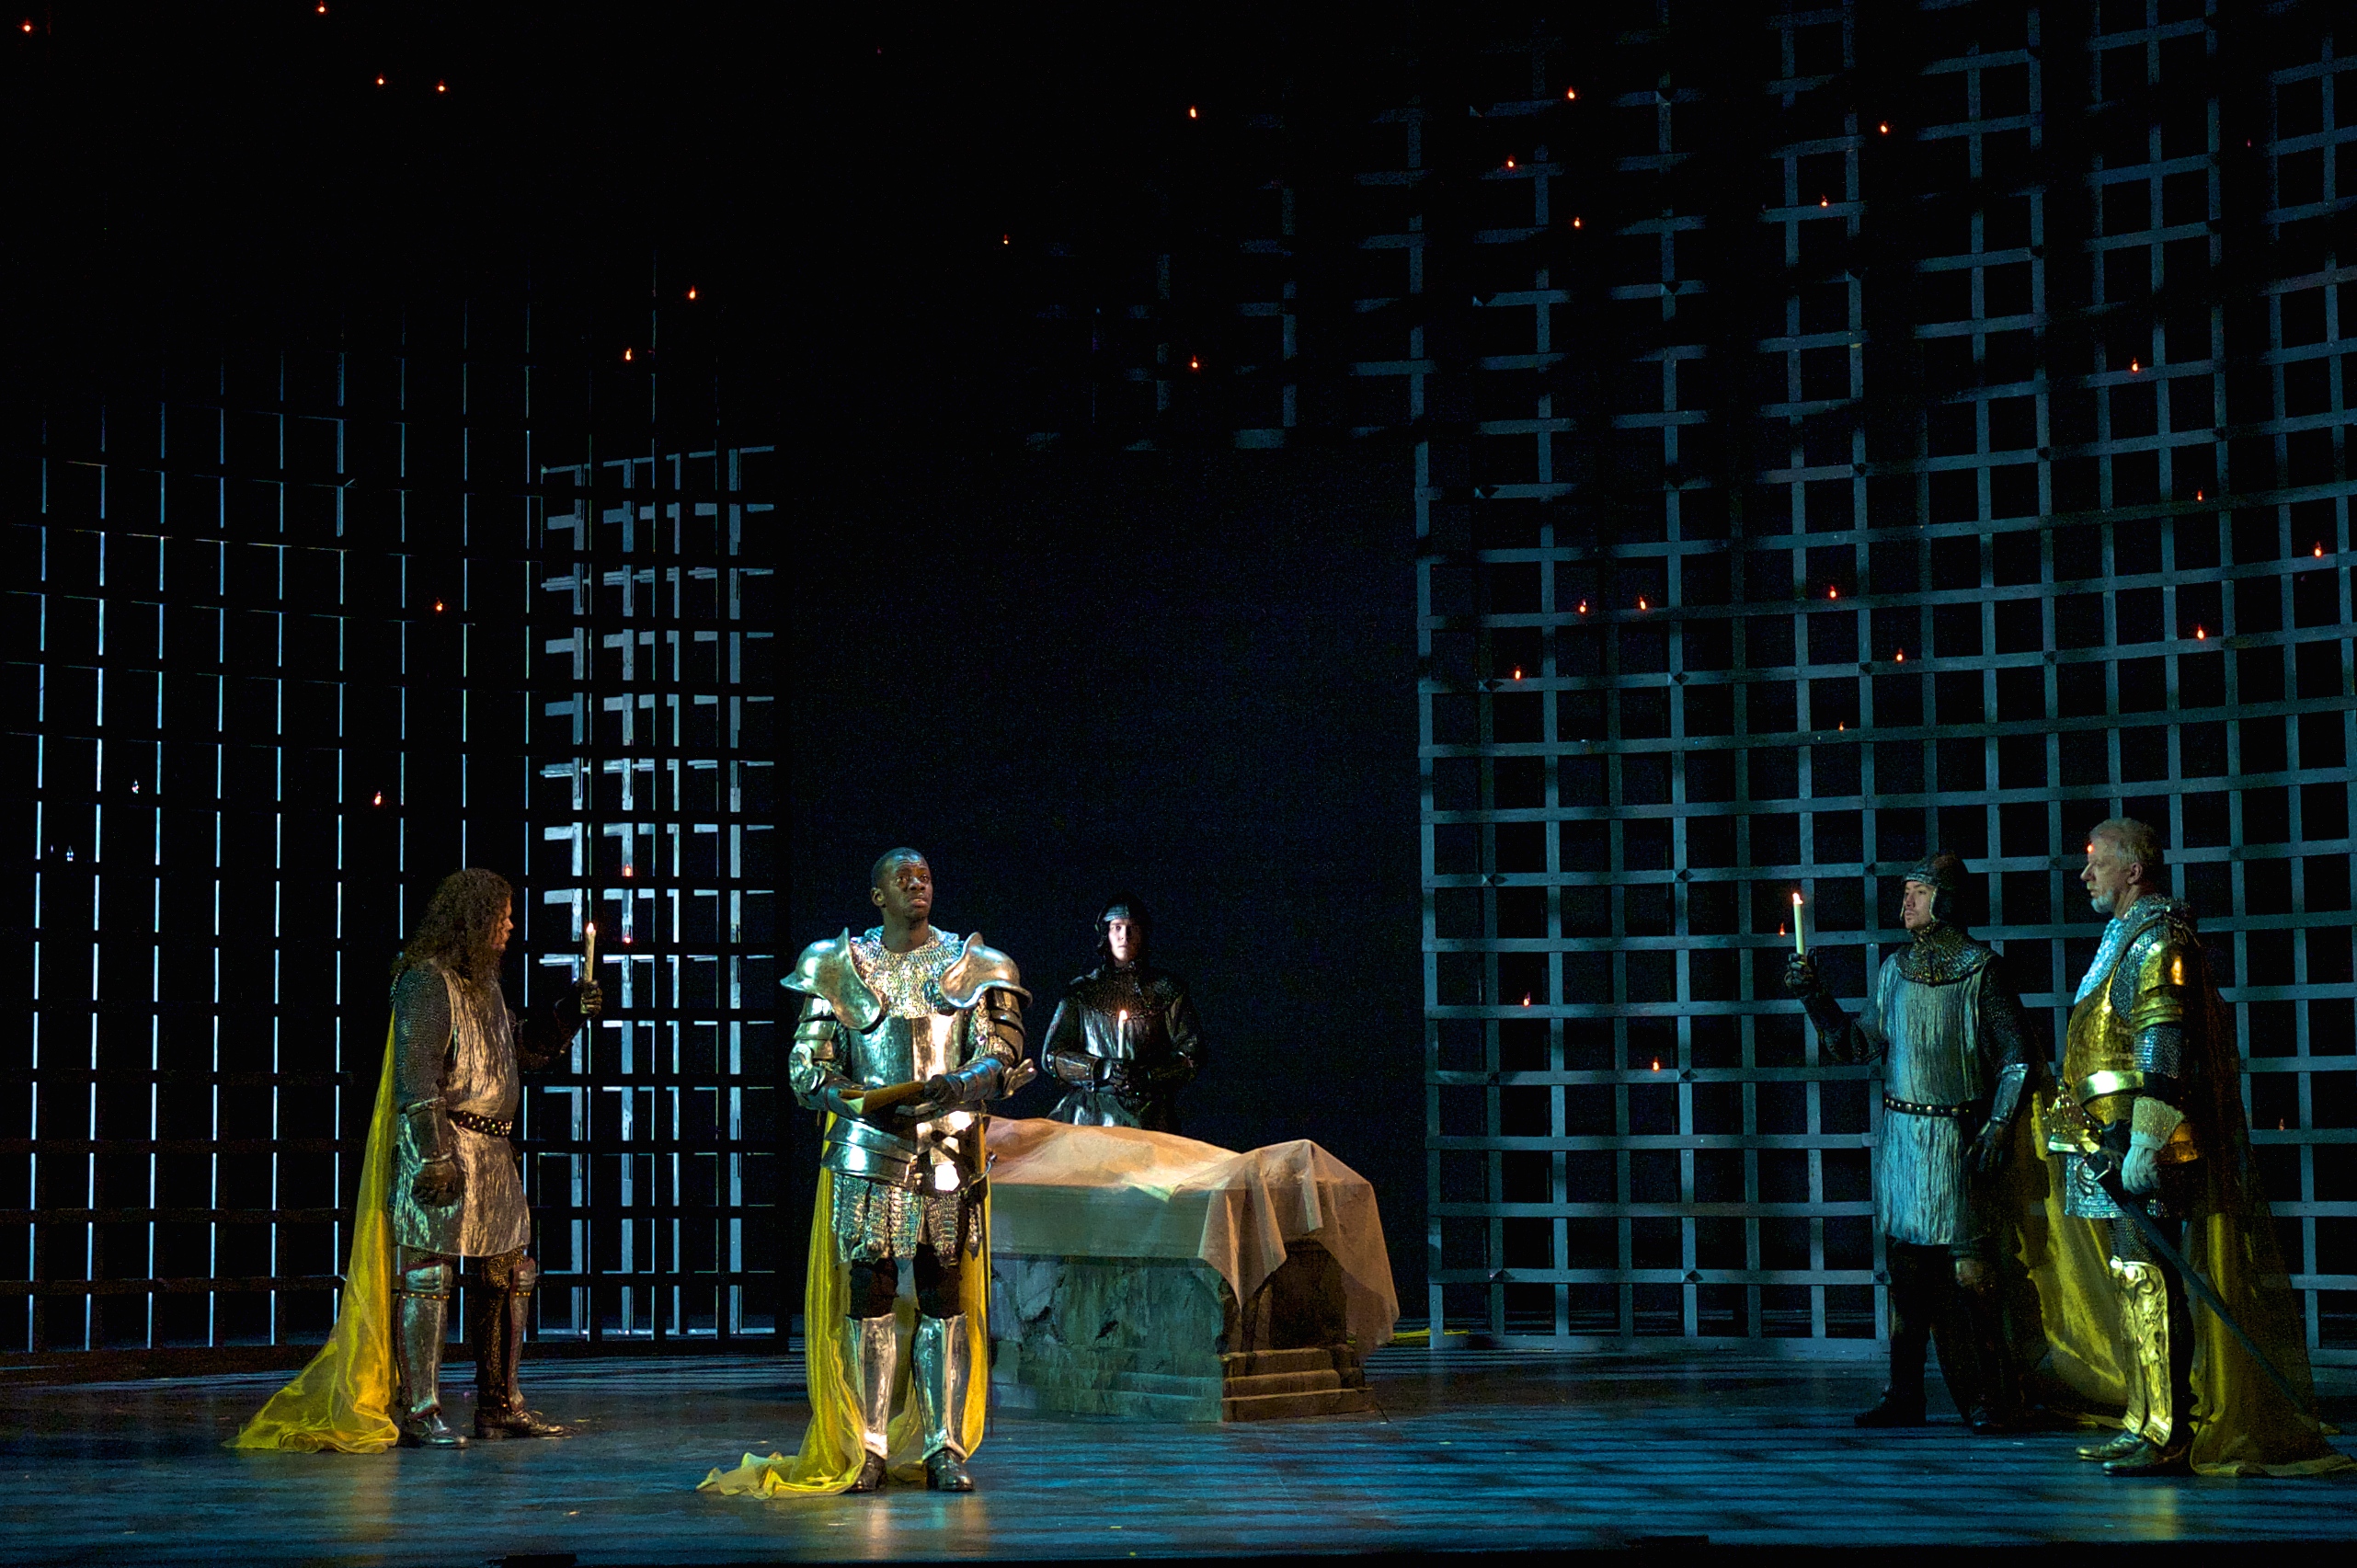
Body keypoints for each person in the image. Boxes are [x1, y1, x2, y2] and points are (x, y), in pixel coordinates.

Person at [2046, 818, 2348, 1476]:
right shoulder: (2124, 937)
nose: (2085, 874)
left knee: (2148, 1276)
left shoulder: (2158, 940)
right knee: (2134, 1278)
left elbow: (2163, 1044)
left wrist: (2146, 1140)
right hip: (2109, 1135)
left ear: (2134, 870)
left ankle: (2166, 1430)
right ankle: (2144, 1417)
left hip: (2139, 1138)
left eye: (2098, 861)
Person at [782, 849, 1033, 1493]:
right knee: (870, 1294)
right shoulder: (838, 964)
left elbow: (1001, 1050)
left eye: (924, 876)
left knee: (943, 1295)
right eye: (903, 878)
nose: (917, 885)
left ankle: (944, 1446)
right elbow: (808, 1067)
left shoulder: (973, 964)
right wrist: (860, 1100)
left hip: (948, 1149)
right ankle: (867, 1445)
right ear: (878, 896)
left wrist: (961, 1083)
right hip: (870, 1150)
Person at [1784, 853, 2032, 1431]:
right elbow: (1854, 1045)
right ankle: (1904, 1393)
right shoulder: (1894, 971)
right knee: (1907, 1276)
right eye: (1906, 893)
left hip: (1957, 1139)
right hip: (1903, 1140)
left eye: (1918, 892)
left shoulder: (1982, 971)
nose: (1906, 904)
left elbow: (2016, 1059)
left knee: (1973, 1277)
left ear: (1946, 899)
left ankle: (1991, 1396)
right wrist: (1814, 997)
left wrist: (1999, 1124)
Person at [388, 868, 601, 1446]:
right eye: (501, 917)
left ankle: (499, 1405)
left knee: (509, 1276)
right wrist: (433, 1156)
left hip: (493, 1151)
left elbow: (520, 1049)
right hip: (444, 1144)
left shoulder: (484, 986)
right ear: (473, 920)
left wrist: (568, 1014)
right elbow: (416, 1076)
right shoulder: (426, 982)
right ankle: (420, 1409)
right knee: (428, 1277)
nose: (509, 927)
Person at [1042, 897, 1204, 1134]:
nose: (1124, 936)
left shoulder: (1168, 991)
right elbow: (1053, 1055)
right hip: (1090, 1116)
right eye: (1117, 927)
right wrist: (1100, 1069)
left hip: (1150, 1116)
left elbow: (1192, 1054)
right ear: (1105, 934)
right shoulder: (1081, 992)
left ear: (1143, 933)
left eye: (1132, 928)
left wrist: (1149, 1075)